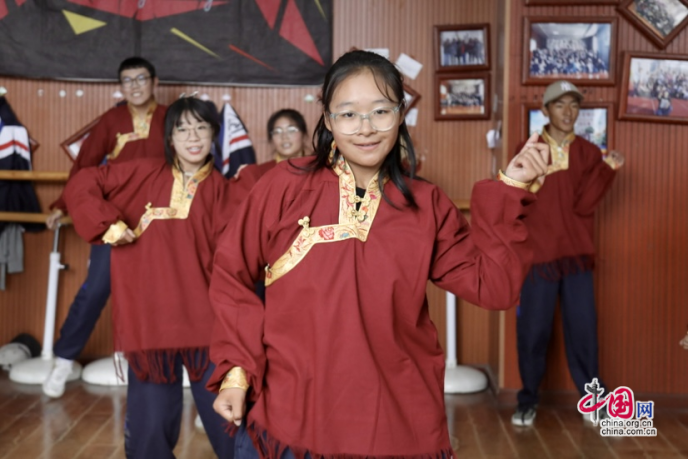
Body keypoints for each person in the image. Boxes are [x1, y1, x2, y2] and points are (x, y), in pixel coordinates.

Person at [208, 50, 550, 458]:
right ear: (328, 119)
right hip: (290, 412)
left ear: (400, 114)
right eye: (349, 114)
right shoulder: (282, 185)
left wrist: (511, 189)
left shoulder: (426, 205)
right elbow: (231, 273)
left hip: (391, 418)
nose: (366, 128)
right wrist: (237, 370)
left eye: (381, 111)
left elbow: (494, 286)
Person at [63, 97, 235, 459]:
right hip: (150, 324)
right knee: (149, 431)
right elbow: (81, 182)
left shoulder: (227, 192)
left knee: (231, 428)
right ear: (169, 138)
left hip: (208, 325)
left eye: (201, 128)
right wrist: (106, 223)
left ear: (214, 135)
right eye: (182, 129)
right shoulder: (140, 172)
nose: (192, 137)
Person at [42, 57, 167, 399]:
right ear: (120, 86)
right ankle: (64, 360)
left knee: (164, 293)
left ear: (155, 81)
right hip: (113, 220)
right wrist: (62, 205)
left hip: (162, 220)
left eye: (141, 78)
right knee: (95, 289)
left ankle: (170, 364)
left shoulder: (171, 117)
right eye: (128, 80)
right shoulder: (111, 120)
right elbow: (84, 168)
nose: (135, 86)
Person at [511, 81, 625, 427]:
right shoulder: (528, 148)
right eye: (560, 105)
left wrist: (607, 171)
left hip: (576, 256)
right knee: (533, 332)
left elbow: (584, 205)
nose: (568, 112)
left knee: (584, 331)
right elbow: (514, 199)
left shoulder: (589, 153)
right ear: (545, 110)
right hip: (538, 256)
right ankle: (527, 400)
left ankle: (595, 402)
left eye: (574, 105)